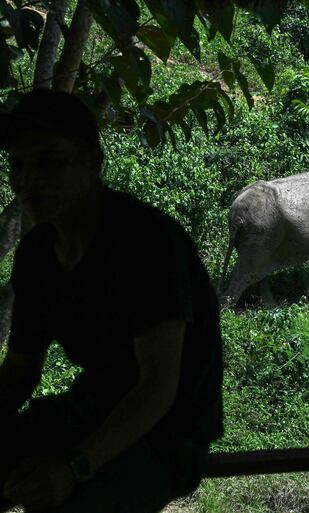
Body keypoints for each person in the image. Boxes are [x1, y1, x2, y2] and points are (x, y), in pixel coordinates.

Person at [0, 89, 223, 512]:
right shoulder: (37, 255)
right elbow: (18, 374)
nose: (28, 180)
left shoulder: (147, 244)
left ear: (93, 163)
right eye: (17, 165)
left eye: (49, 161)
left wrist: (73, 469)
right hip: (93, 406)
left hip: (172, 430)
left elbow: (157, 387)